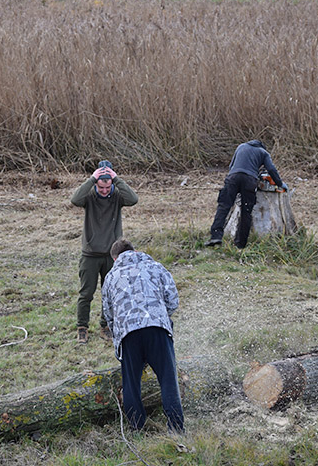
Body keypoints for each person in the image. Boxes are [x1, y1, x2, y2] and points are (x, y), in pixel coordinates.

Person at [102, 239, 184, 433]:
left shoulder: (111, 276)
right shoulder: (155, 267)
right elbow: (172, 299)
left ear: (115, 259)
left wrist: (117, 337)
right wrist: (162, 316)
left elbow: (108, 313)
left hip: (128, 334)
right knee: (167, 380)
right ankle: (176, 428)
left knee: (131, 382)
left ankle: (138, 427)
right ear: (135, 251)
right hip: (157, 328)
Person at [70, 161, 138, 344]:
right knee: (86, 293)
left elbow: (133, 199)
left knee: (111, 294)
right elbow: (75, 200)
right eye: (101, 186)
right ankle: (82, 328)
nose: (105, 191)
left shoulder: (117, 196)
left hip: (112, 254)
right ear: (96, 184)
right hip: (90, 254)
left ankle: (105, 326)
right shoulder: (89, 196)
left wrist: (118, 179)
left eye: (108, 187)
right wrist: (92, 179)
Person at [205, 139, 288, 249]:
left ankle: (216, 236)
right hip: (249, 181)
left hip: (232, 178)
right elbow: (271, 169)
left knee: (224, 206)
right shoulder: (264, 153)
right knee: (246, 211)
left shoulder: (241, 146)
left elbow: (231, 166)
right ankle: (240, 244)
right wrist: (280, 183)